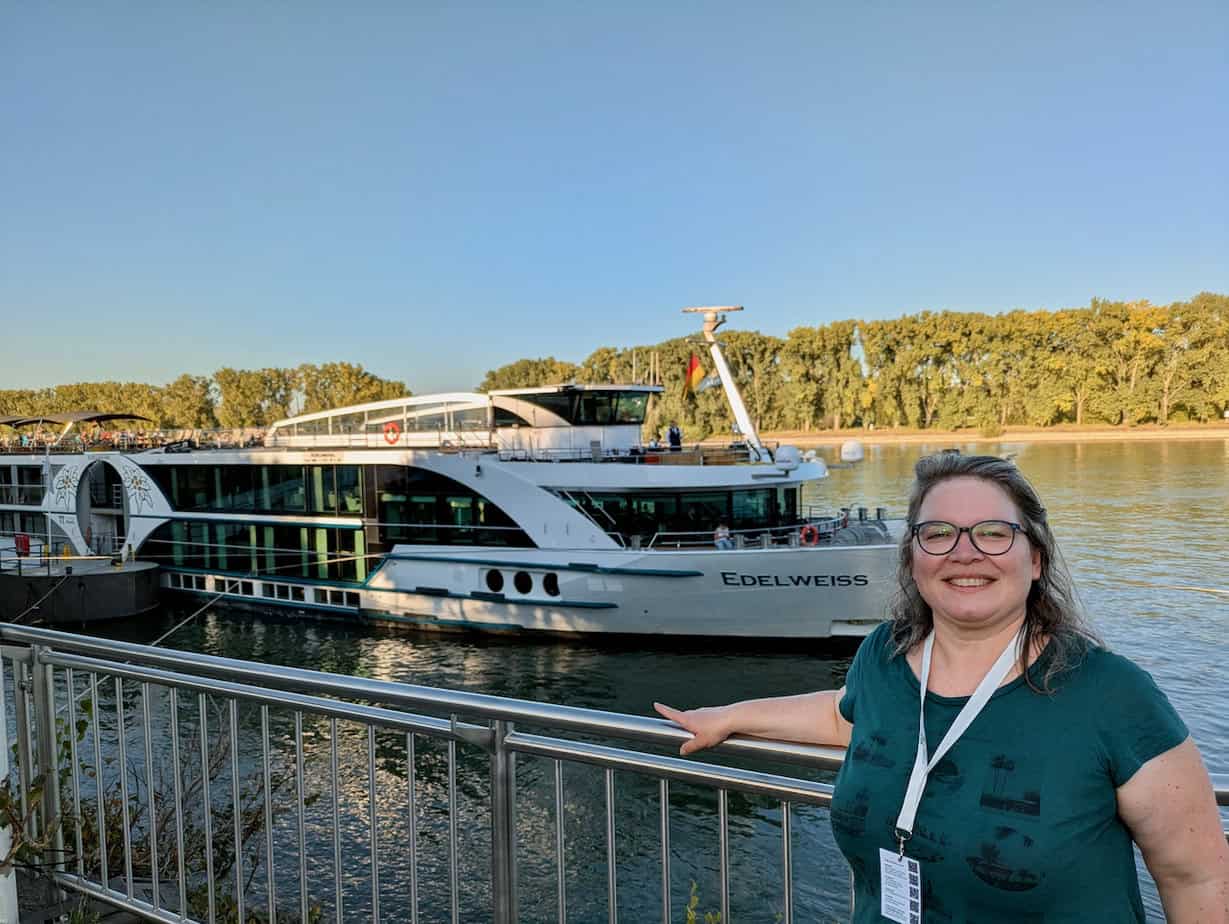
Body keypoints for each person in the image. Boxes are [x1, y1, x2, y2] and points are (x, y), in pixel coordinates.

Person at [654, 453, 1228, 921]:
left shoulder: (1112, 695)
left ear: (1035, 559)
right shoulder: (885, 653)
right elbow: (845, 716)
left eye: (994, 533)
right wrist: (730, 716)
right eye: (938, 533)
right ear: (913, 557)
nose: (964, 551)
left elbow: (1197, 878)